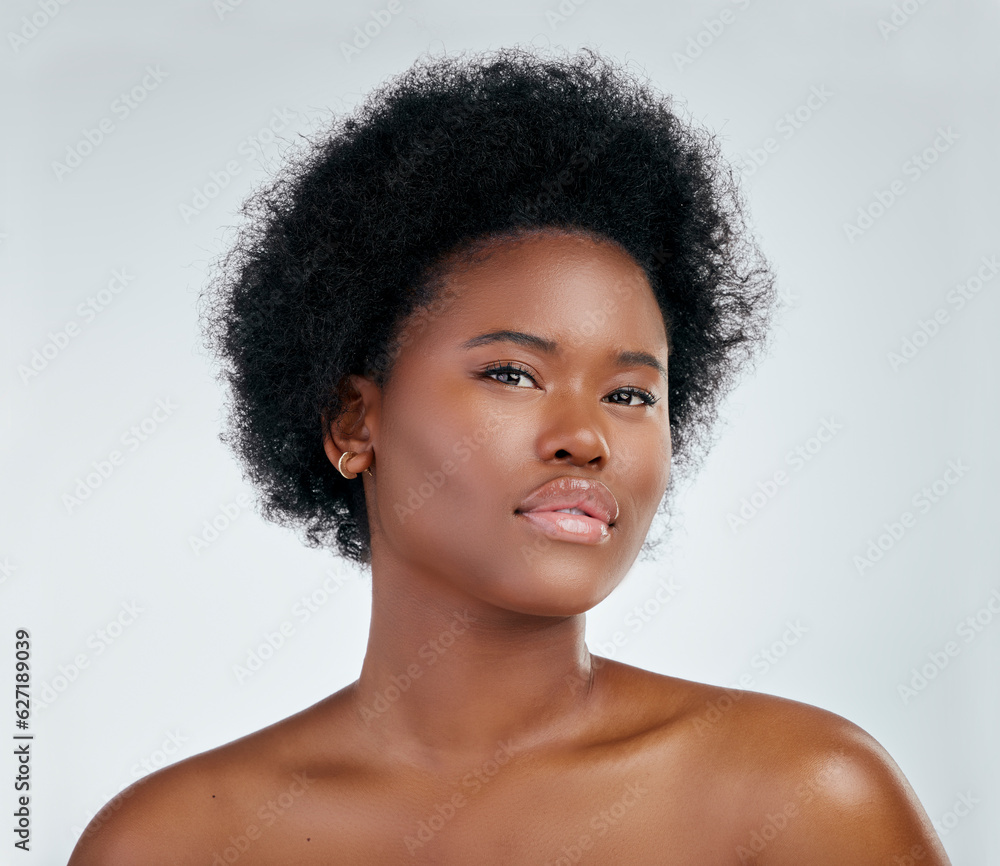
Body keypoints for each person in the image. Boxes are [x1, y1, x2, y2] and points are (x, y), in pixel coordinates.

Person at [68, 45, 951, 865]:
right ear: (352, 423)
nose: (586, 435)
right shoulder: (172, 842)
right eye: (513, 372)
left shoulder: (801, 800)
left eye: (631, 394)